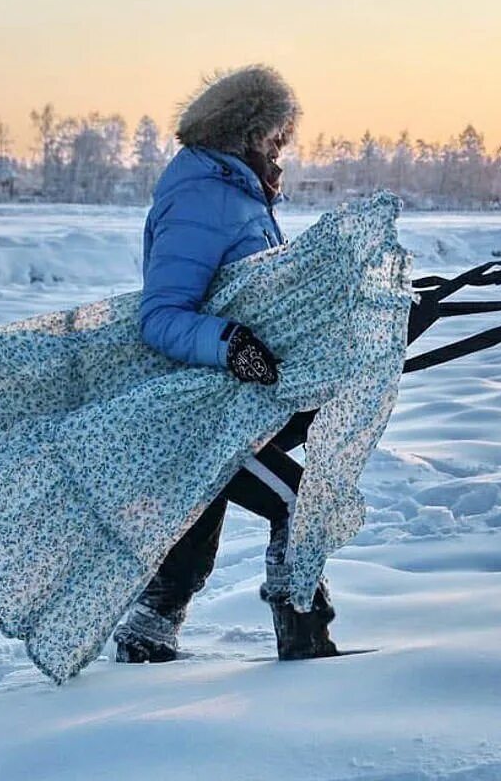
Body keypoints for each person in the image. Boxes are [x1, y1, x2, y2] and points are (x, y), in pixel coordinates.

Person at [115, 64, 339, 663]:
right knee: (298, 501)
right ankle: (305, 640)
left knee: (191, 544)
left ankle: (144, 644)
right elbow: (161, 315)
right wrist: (231, 343)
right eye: (273, 139)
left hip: (231, 403)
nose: (281, 153)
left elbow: (254, 294)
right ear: (243, 135)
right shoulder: (201, 197)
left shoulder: (237, 194)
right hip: (199, 409)